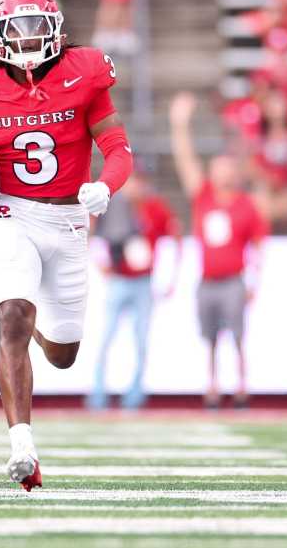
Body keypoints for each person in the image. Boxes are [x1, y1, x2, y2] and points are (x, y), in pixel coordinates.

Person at [0, 0, 132, 490]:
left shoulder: (85, 71)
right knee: (15, 320)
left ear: (55, 29)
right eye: (15, 29)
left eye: (34, 28)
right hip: (14, 214)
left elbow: (118, 148)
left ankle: (10, 298)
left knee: (63, 355)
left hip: (68, 221)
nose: (25, 39)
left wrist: (105, 188)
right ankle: (21, 445)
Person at [169, 92, 267, 410]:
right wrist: (179, 125)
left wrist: (254, 281)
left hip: (233, 279)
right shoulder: (205, 198)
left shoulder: (245, 205)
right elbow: (186, 161)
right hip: (208, 279)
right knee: (210, 336)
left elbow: (258, 246)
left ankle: (240, 385)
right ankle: (212, 385)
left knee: (237, 334)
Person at [87, 170, 179, 411]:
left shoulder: (155, 208)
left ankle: (134, 395)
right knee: (106, 337)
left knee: (140, 340)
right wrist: (100, 263)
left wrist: (170, 275)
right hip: (119, 279)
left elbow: (174, 234)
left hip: (143, 282)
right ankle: (98, 393)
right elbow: (91, 229)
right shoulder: (115, 206)